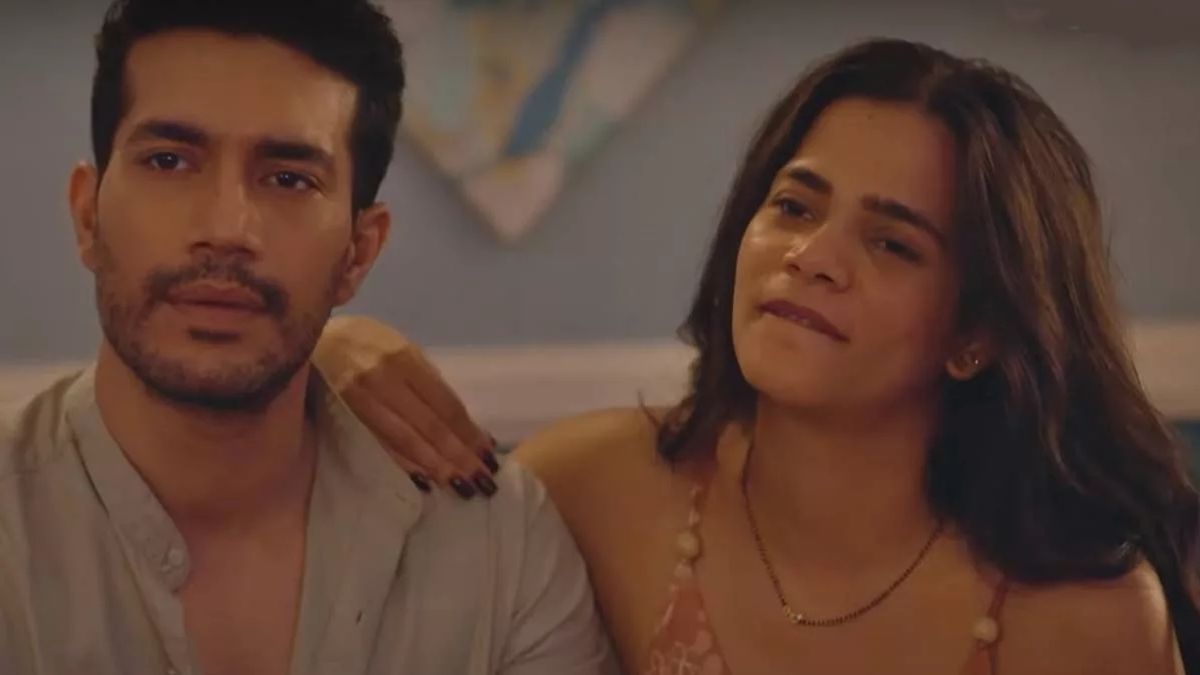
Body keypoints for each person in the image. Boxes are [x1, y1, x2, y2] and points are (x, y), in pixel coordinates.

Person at [315, 39, 1200, 674]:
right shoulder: (593, 489)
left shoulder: (1088, 616)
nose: (811, 255)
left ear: (978, 334)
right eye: (795, 206)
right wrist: (326, 349)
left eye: (892, 243)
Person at [0, 1, 616, 673]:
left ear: (359, 252)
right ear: (87, 216)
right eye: (169, 161)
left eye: (289, 179)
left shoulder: (499, 549)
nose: (227, 226)